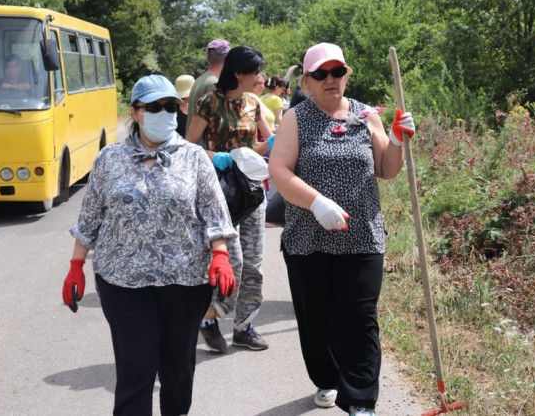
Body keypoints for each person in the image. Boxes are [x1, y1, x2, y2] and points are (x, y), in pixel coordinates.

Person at [61, 74, 238, 416]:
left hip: (185, 281)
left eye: (172, 105)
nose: (166, 113)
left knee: (177, 369)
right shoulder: (109, 159)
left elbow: (215, 214)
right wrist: (75, 266)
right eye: (155, 106)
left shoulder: (195, 158)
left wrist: (220, 255)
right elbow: (90, 218)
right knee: (135, 367)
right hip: (123, 282)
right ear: (136, 112)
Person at [268, 42, 415, 416]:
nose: (330, 79)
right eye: (321, 74)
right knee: (318, 321)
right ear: (307, 81)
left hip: (362, 236)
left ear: (346, 75)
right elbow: (279, 172)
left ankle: (361, 400)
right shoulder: (296, 119)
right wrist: (316, 202)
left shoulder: (367, 116)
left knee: (360, 319)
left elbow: (386, 168)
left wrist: (397, 139)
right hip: (308, 240)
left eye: (337, 72)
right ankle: (327, 378)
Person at [186, 45, 274, 353]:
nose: (260, 77)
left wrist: (273, 142)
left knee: (255, 264)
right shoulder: (211, 102)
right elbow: (190, 145)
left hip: (252, 192)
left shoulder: (254, 103)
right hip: (222, 193)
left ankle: (244, 327)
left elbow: (261, 145)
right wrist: (217, 156)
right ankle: (210, 317)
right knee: (232, 262)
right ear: (238, 73)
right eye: (255, 72)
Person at [184, 39, 231, 137]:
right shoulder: (214, 83)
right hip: (206, 149)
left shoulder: (200, 79)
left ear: (207, 58)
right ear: (228, 59)